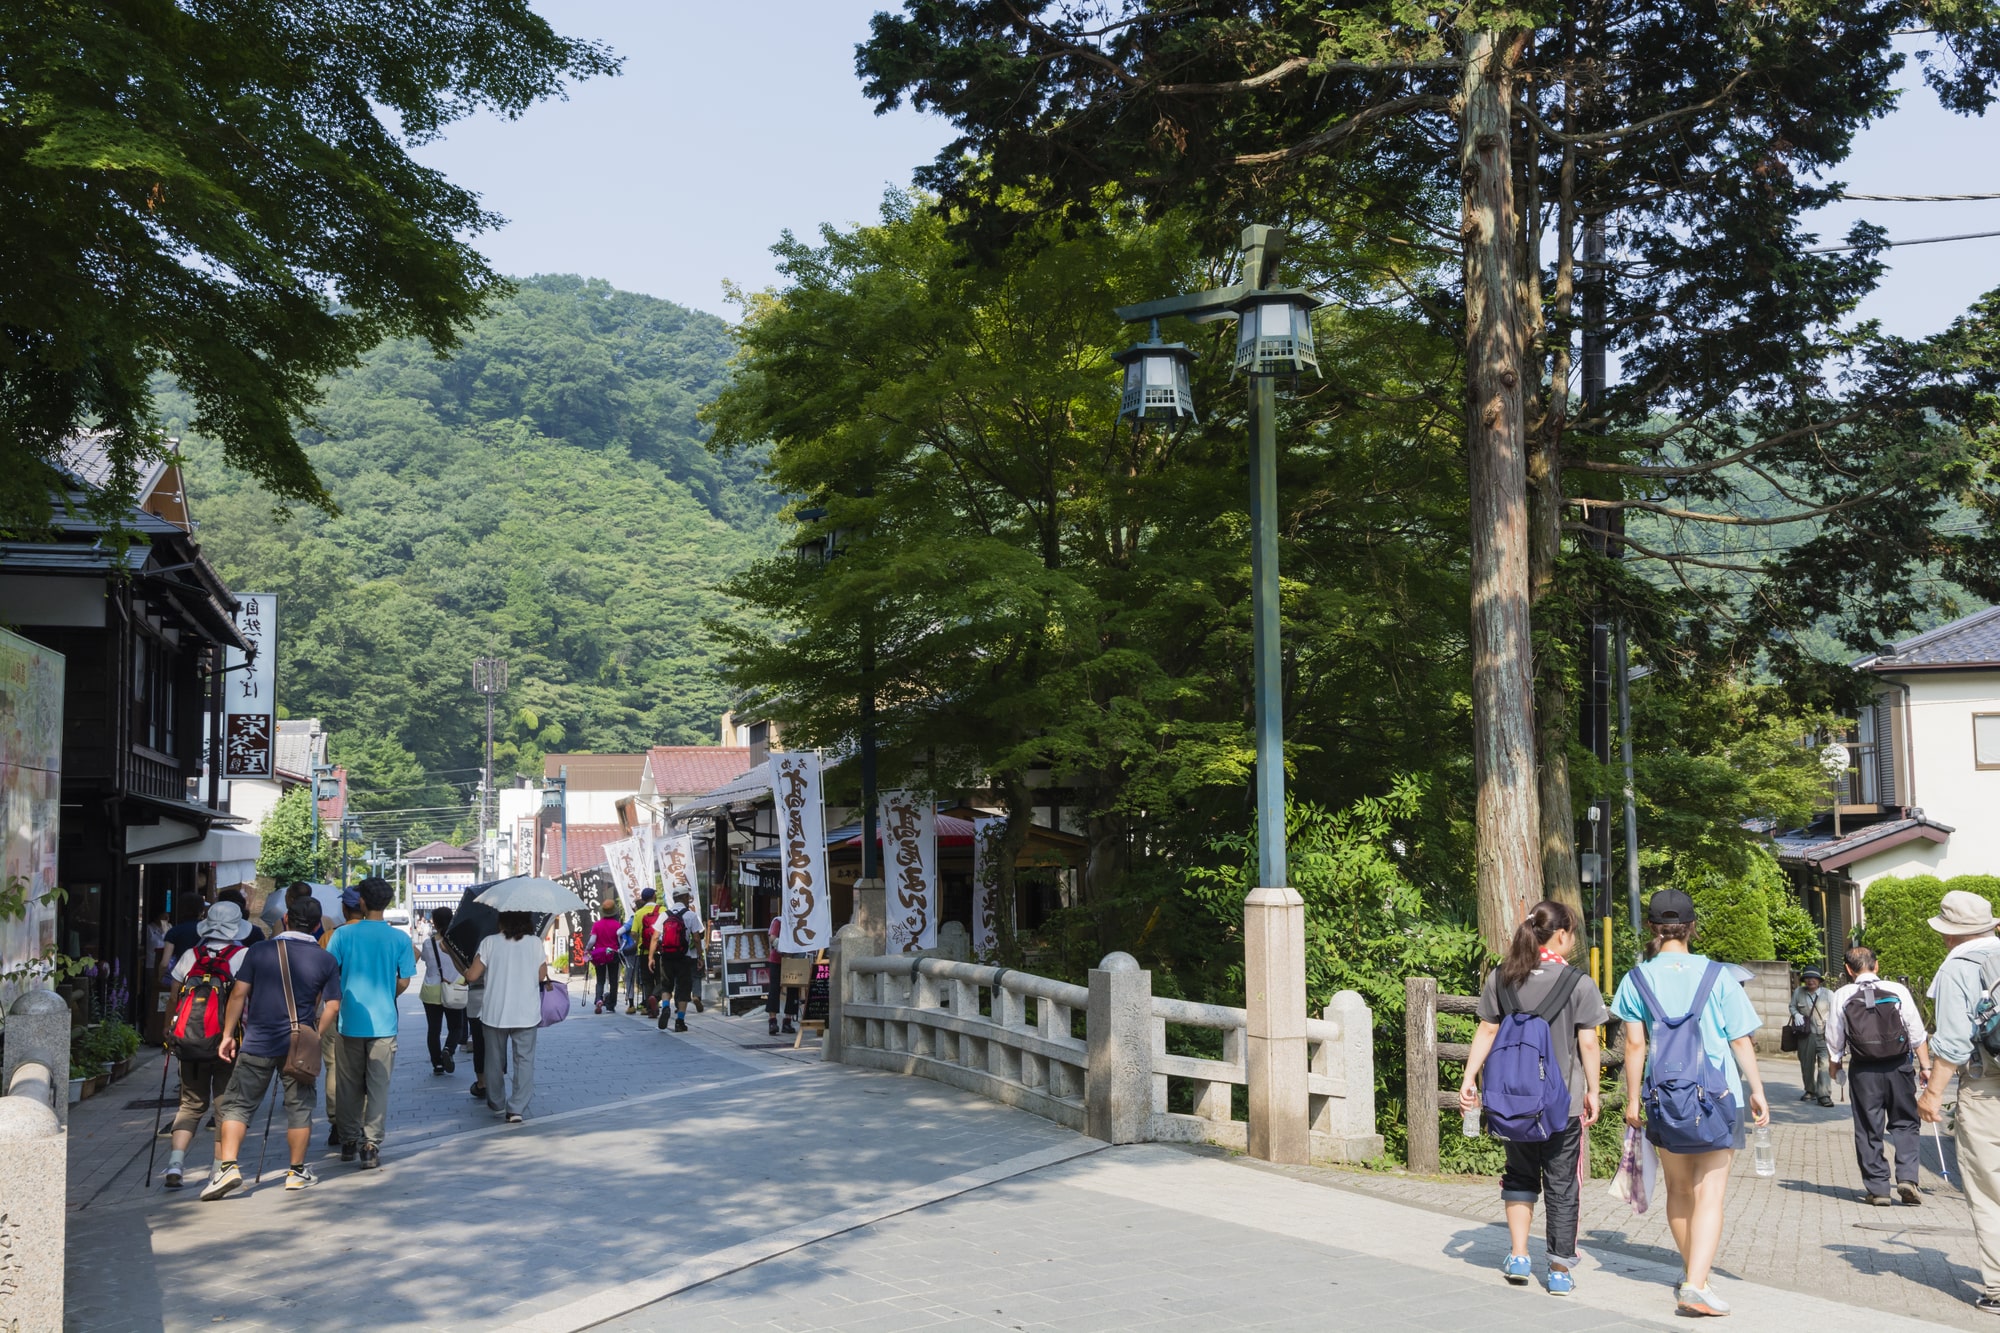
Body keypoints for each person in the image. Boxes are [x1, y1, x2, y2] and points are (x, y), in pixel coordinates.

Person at [1613, 888, 1770, 1319]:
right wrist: (1757, 1089)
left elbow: (1633, 1044)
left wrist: (1631, 1100)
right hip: (1719, 1098)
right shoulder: (1719, 976)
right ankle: (1696, 1284)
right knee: (1710, 1194)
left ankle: (1693, 1275)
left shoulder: (1636, 978)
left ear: (1651, 928)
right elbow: (1740, 1039)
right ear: (1692, 927)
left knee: (1679, 1190)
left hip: (1663, 1098)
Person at [1458, 900, 1607, 1297]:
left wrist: (1470, 1077)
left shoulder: (1501, 978)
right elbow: (1589, 1043)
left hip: (1513, 1104)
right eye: (1572, 933)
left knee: (1520, 1175)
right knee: (1562, 1184)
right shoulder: (1578, 983)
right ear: (1561, 934)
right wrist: (1593, 1090)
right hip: (1563, 1106)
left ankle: (1520, 1256)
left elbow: (1487, 1032)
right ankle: (1558, 1269)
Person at [203, 897, 341, 1199]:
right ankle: (296, 1172)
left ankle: (228, 1168)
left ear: (286, 920)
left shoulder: (259, 951)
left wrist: (228, 1034)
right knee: (300, 1107)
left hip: (257, 1041)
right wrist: (316, 1033)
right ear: (318, 926)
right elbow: (332, 1004)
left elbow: (239, 994)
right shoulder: (324, 959)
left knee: (238, 1105)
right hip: (299, 1045)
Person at [1917, 890, 2000, 1315]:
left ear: (1950, 934)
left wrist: (1932, 1096)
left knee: (1988, 1188)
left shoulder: (1957, 968)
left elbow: (1951, 1042)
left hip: (1988, 1088)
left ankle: (1999, 1289)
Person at [1827, 944, 1931, 1206]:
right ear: (1877, 965)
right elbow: (1916, 1032)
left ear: (1849, 970)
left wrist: (1835, 1065)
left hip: (1863, 1069)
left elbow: (1835, 1036)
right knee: (1906, 1121)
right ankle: (1907, 1178)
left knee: (1867, 1127)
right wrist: (1926, 1067)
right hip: (1899, 1065)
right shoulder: (1897, 990)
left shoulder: (1843, 994)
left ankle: (1879, 1189)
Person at [323, 876, 416, 1169]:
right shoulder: (399, 938)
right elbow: (404, 979)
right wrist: (389, 994)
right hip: (384, 1023)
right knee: (378, 1086)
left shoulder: (341, 936)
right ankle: (371, 1144)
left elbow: (328, 974)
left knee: (348, 1085)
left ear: (361, 902)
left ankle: (349, 1141)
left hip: (349, 1020)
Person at [161, 902, 252, 1188]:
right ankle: (217, 1169)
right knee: (224, 1106)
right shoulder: (242, 956)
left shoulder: (191, 955)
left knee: (189, 1104)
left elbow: (175, 996)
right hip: (229, 1042)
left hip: (188, 1041)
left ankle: (175, 1165)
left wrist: (169, 1030)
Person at [462, 910, 549, 1123]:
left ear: (501, 920)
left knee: (493, 1060)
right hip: (526, 1012)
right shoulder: (534, 943)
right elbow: (541, 975)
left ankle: (496, 1103)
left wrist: (465, 970)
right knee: (524, 1061)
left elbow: (472, 975)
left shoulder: (489, 942)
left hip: (495, 1012)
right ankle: (516, 1108)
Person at [316, 886, 366, 1142]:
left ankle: (337, 1122)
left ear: (344, 909)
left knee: (334, 1067)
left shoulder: (329, 936)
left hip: (335, 1008)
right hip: (368, 1011)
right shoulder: (377, 934)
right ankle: (361, 1121)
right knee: (366, 1067)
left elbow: (320, 973)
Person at [421, 907, 470, 1073]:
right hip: (455, 988)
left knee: (433, 1030)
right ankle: (448, 1050)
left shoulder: (428, 943)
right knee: (456, 1027)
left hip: (431, 990)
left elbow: (427, 962)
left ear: (434, 922)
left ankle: (438, 1064)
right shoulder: (460, 941)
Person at [651, 889, 704, 1033]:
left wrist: (650, 957)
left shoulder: (664, 915)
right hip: (684, 957)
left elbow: (655, 937)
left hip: (666, 957)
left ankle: (666, 1006)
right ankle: (680, 1021)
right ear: (685, 897)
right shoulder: (691, 915)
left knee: (666, 985)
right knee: (683, 989)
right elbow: (697, 938)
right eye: (688, 897)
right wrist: (700, 957)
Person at [1790, 967, 1835, 1106]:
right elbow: (1792, 1006)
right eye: (1808, 978)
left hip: (1824, 1035)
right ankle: (1810, 1090)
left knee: (1824, 1066)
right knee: (1807, 1065)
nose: (1810, 981)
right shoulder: (1799, 992)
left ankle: (1824, 1095)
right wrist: (1796, 1014)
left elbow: (1835, 1013)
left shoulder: (1828, 994)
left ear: (1819, 980)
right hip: (1805, 1035)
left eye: (1814, 978)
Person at [766, 913, 800, 1037]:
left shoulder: (800, 921)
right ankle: (772, 1022)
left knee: (793, 989)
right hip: (777, 960)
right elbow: (772, 938)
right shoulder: (778, 921)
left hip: (794, 960)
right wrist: (784, 947)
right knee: (774, 989)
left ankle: (787, 1021)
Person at [631, 888, 663, 1017]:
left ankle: (651, 1010)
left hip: (644, 951)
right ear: (654, 896)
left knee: (647, 981)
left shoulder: (639, 913)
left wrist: (639, 940)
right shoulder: (663, 910)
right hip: (661, 951)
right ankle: (655, 997)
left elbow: (633, 932)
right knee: (662, 980)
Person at [589, 901, 622, 1014]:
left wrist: (587, 949)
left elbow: (592, 940)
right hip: (613, 954)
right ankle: (610, 1006)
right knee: (613, 981)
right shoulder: (617, 925)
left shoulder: (597, 925)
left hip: (599, 955)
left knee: (600, 980)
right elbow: (620, 941)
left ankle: (599, 999)